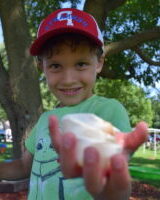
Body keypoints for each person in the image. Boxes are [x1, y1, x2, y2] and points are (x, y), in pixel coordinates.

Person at [0, 8, 148, 200]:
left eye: (80, 64)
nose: (68, 79)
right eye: (55, 66)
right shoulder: (45, 119)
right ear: (41, 67)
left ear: (99, 63)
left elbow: (117, 188)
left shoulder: (106, 111)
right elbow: (22, 167)